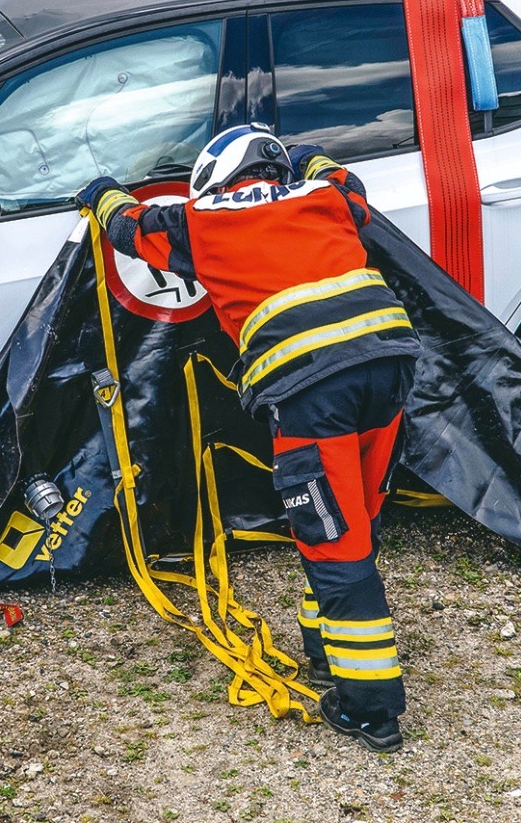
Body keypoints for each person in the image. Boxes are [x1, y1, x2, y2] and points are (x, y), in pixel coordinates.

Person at [76, 126, 419, 752]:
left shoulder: (198, 221)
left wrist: (99, 192)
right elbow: (353, 188)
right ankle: (325, 652)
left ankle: (371, 708)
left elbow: (129, 227)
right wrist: (316, 157)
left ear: (213, 178)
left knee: (332, 539)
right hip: (390, 366)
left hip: (313, 393)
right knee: (354, 518)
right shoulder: (323, 195)